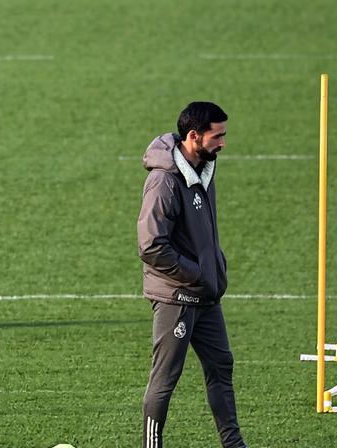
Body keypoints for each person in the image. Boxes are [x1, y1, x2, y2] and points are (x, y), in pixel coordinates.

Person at [137, 102, 246, 448]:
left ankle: (234, 445)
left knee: (221, 367)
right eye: (217, 136)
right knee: (165, 380)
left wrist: (212, 270)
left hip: (205, 294)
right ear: (194, 136)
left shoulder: (204, 168)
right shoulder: (163, 182)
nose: (223, 143)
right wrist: (196, 272)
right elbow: (151, 245)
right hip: (177, 297)